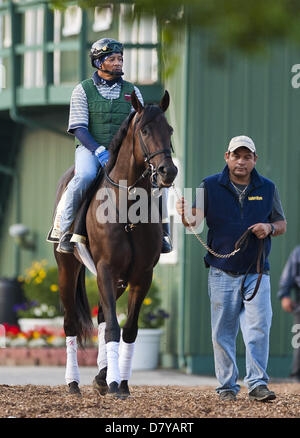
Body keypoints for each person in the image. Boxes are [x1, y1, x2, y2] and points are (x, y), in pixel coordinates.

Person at [176, 135, 287, 401]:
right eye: (236, 156)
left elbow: (281, 224)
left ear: (254, 160)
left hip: (257, 272)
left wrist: (269, 228)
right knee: (223, 332)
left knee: (259, 327)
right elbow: (193, 222)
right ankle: (227, 387)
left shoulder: (268, 188)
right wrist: (182, 212)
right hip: (221, 271)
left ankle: (258, 384)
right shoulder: (209, 186)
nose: (241, 161)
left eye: (246, 156)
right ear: (227, 157)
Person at [57, 37, 172, 254]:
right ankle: (64, 230)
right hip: (91, 148)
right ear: (99, 63)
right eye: (112, 59)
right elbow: (79, 128)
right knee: (85, 176)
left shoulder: (132, 91)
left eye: (120, 58)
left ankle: (163, 231)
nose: (118, 62)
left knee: (155, 180)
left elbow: (139, 124)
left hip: (122, 151)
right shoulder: (82, 90)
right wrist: (98, 150)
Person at [277, 246, 300, 382]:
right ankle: (296, 375)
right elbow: (288, 276)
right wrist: (284, 295)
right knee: (298, 341)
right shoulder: (297, 253)